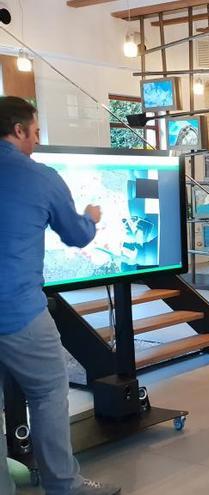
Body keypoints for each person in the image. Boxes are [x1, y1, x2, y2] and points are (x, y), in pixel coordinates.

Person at [0, 96, 119, 495]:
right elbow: (77, 235)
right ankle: (63, 487)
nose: (35, 141)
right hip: (17, 310)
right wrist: (92, 217)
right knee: (49, 393)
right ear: (18, 130)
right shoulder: (40, 177)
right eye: (34, 132)